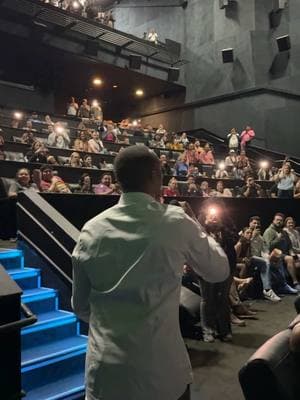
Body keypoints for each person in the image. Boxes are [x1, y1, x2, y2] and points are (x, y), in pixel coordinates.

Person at [72, 145, 229, 400]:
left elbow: (81, 307)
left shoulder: (90, 229)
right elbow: (218, 270)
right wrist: (197, 225)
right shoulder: (176, 221)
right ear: (157, 175)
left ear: (116, 179)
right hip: (161, 375)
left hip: (105, 376)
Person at [263, 213, 299, 294]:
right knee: (289, 259)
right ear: (273, 221)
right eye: (277, 220)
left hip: (285, 254)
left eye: (281, 220)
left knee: (295, 259)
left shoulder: (283, 232)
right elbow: (268, 247)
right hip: (273, 255)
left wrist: (292, 253)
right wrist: (277, 239)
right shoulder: (269, 231)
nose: (279, 222)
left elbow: (289, 245)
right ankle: (295, 283)